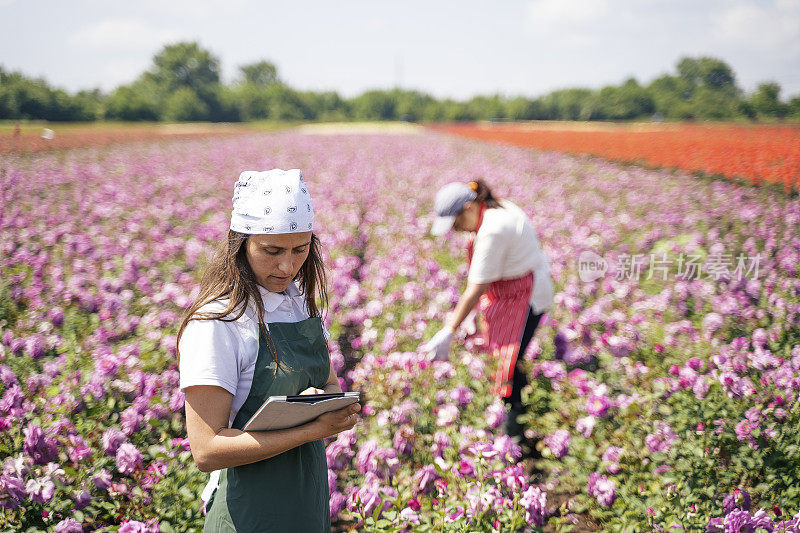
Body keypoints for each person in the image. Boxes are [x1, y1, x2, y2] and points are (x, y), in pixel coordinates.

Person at [177, 169, 360, 532]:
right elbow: (207, 449)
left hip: (306, 501)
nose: (287, 266)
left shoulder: (299, 306)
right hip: (249, 511)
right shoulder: (218, 323)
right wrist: (310, 428)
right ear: (241, 243)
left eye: (300, 249)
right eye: (272, 250)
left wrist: (329, 407)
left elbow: (330, 387)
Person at [422, 180, 554, 441]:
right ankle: (511, 413)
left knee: (509, 360)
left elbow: (476, 287)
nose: (457, 230)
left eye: (456, 223)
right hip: (508, 291)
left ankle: (513, 428)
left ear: (469, 207)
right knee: (506, 359)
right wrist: (469, 314)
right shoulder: (493, 210)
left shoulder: (493, 228)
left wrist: (448, 330)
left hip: (524, 297)